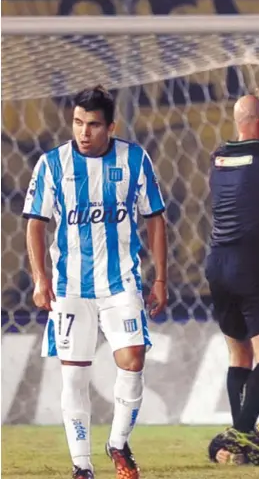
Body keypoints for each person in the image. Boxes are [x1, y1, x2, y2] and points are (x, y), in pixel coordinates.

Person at [24, 85, 167, 479]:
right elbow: (35, 224)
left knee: (133, 359)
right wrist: (41, 278)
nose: (83, 132)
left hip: (120, 281)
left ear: (111, 127)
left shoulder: (134, 159)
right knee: (74, 374)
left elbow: (155, 218)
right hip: (69, 287)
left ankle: (118, 443)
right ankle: (82, 466)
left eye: (93, 125)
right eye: (77, 123)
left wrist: (161, 278)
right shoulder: (52, 165)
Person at [205, 81, 259, 460]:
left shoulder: (218, 157)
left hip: (218, 264)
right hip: (254, 263)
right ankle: (239, 433)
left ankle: (242, 438)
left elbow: (252, 141)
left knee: (239, 356)